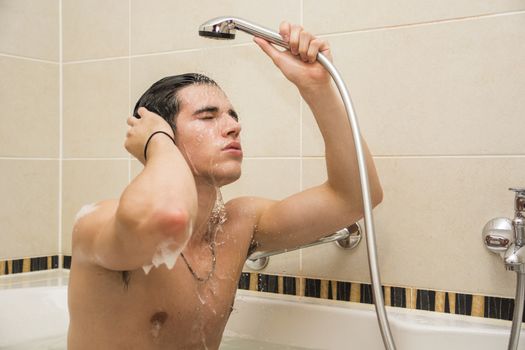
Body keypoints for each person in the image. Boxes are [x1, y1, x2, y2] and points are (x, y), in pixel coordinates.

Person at [67, 21, 383, 349]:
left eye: (232, 115)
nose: (233, 126)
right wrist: (157, 142)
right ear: (160, 134)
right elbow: (167, 218)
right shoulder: (100, 226)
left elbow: (356, 196)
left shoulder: (235, 227)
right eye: (208, 117)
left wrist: (317, 89)